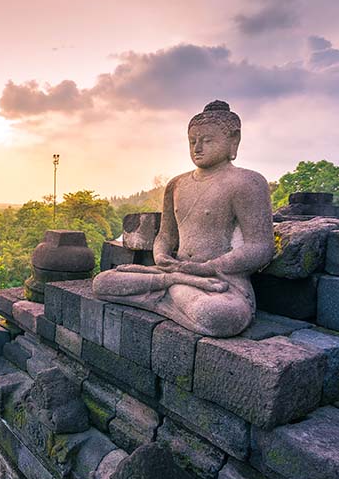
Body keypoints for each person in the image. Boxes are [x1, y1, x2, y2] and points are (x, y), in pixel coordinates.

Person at [93, 101, 274, 338]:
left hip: (219, 283)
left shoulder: (247, 183)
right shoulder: (177, 184)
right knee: (102, 282)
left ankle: (163, 290)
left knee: (219, 315)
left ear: (233, 140)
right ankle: (172, 283)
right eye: (192, 141)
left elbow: (260, 247)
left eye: (207, 141)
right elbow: (166, 236)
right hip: (173, 272)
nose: (197, 147)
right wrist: (161, 256)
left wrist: (209, 267)